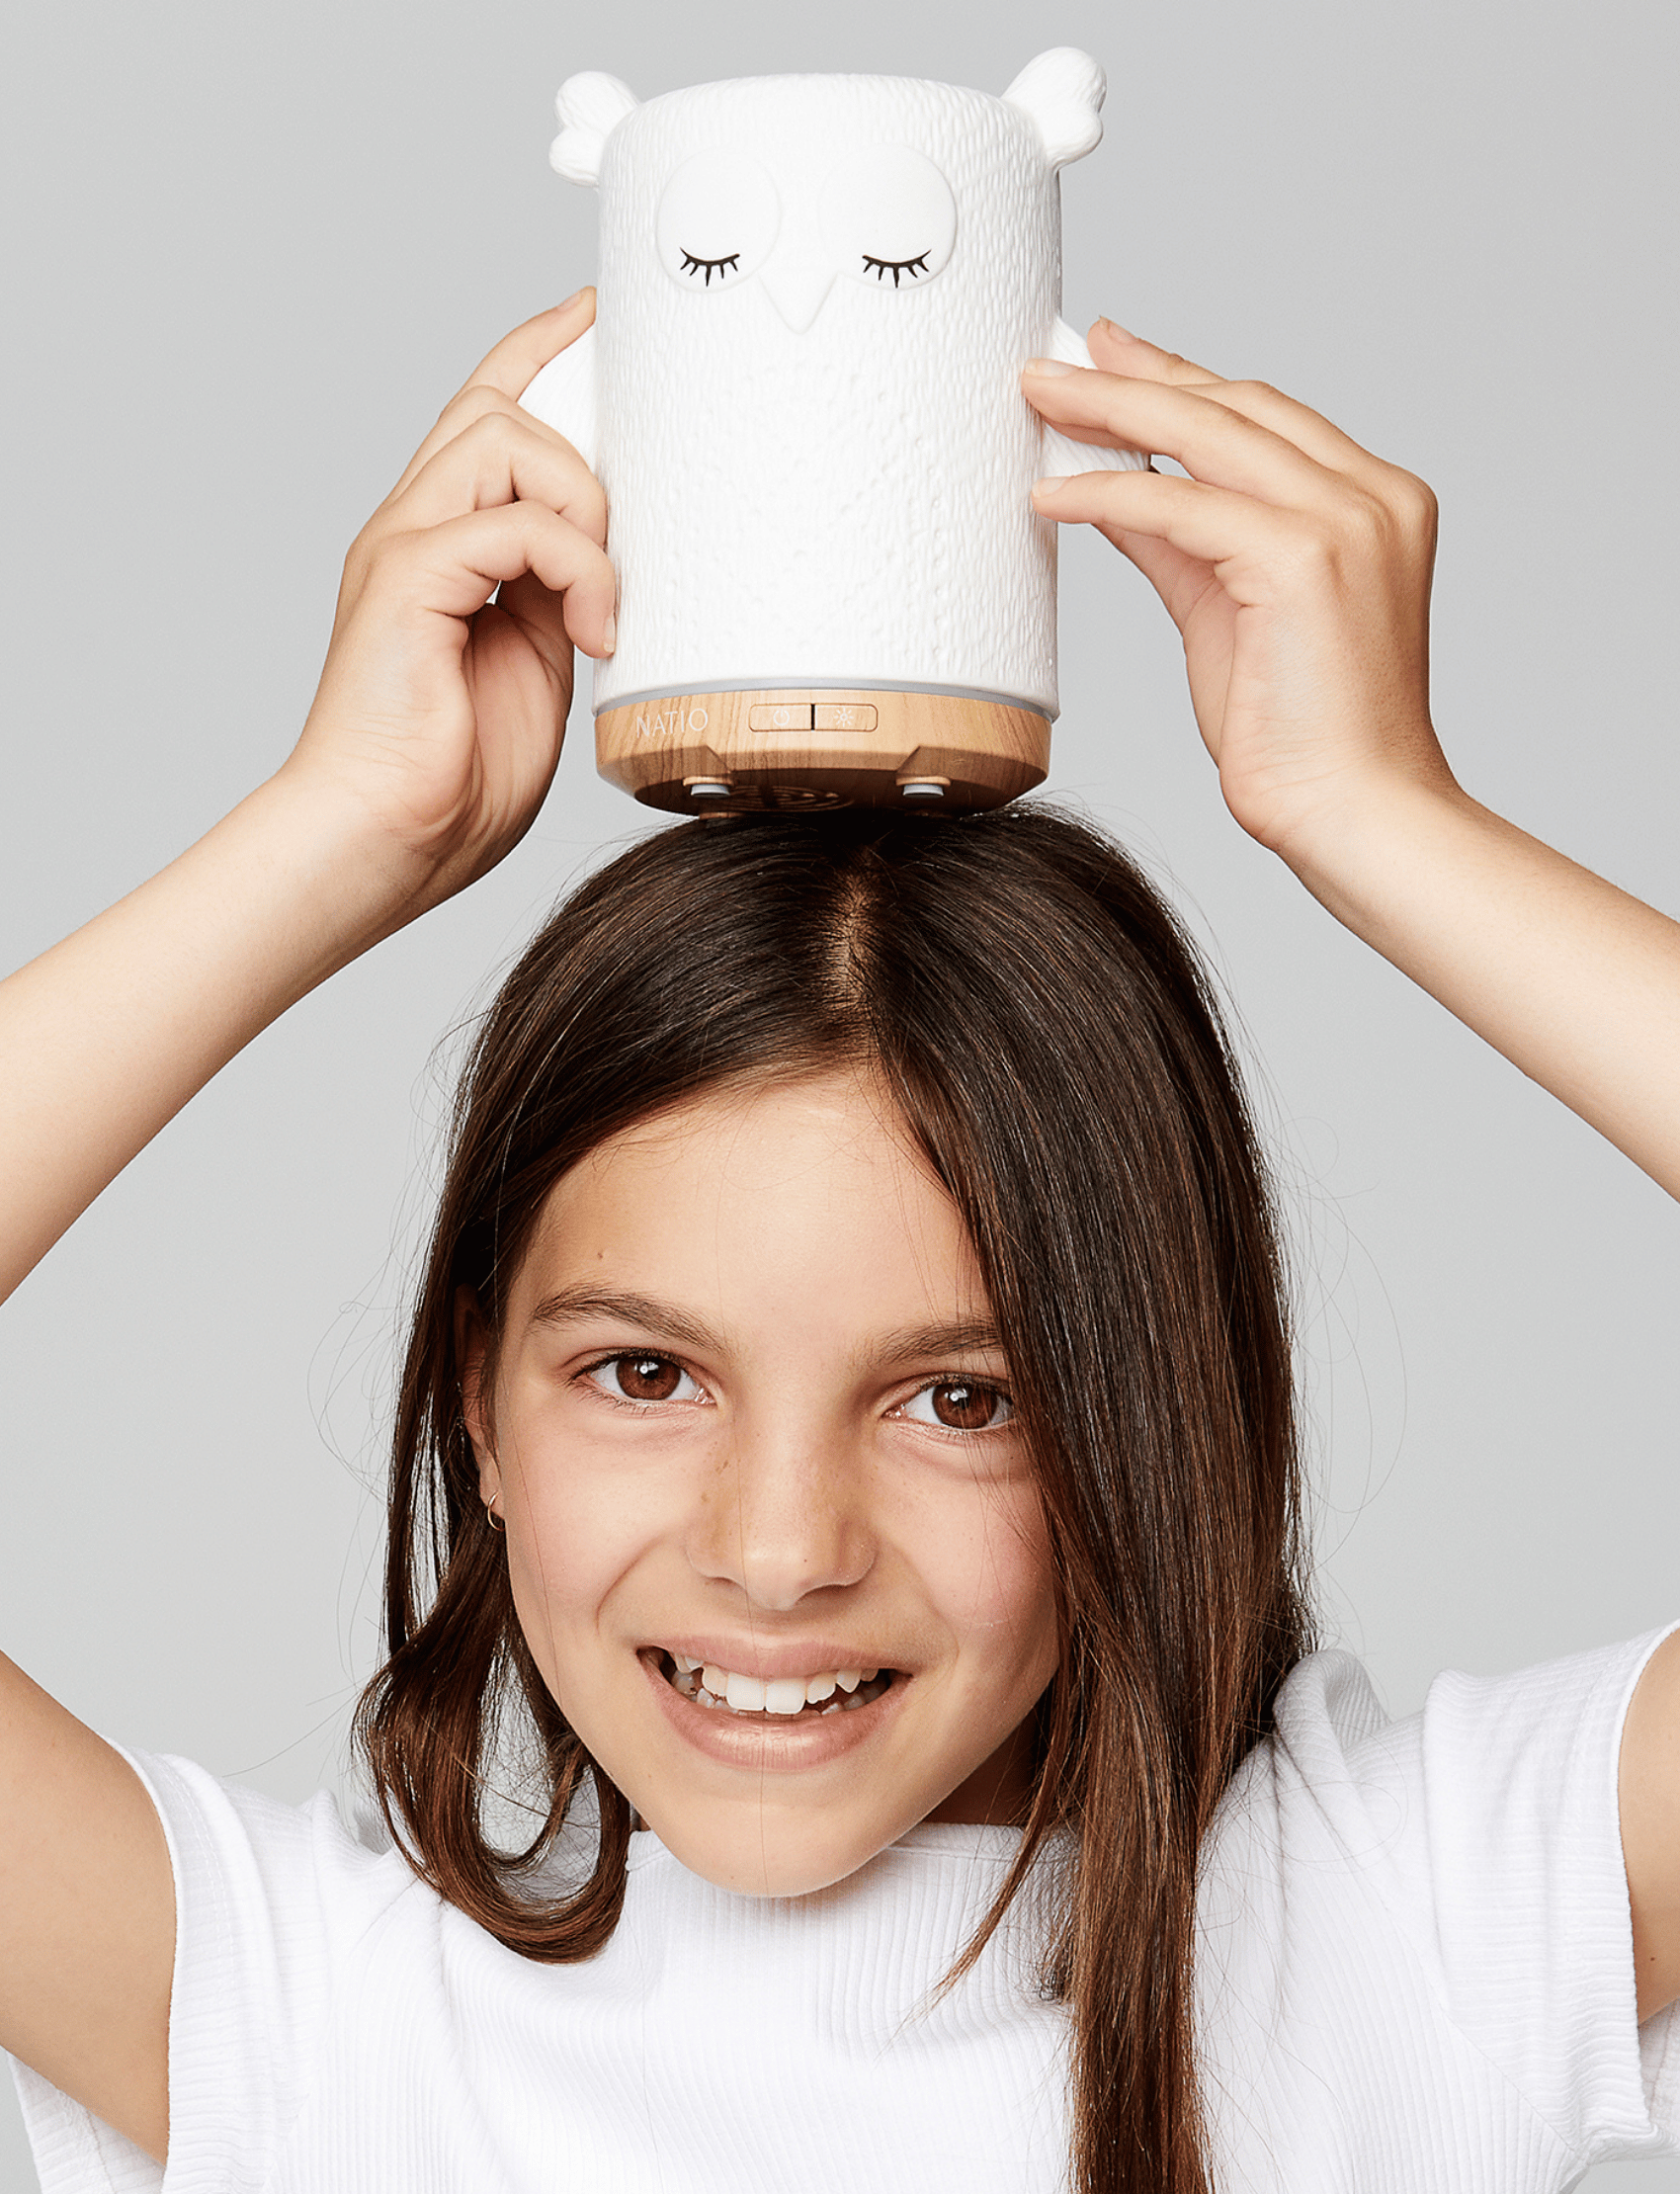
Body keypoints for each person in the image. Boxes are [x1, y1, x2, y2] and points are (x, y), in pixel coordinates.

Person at [0, 289, 1676, 2194]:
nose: (778, 1553)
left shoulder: (1423, 1944)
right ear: (477, 1396)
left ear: (1146, 1415)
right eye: (645, 1373)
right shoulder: (307, 2028)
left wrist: (1384, 816)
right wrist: (331, 832)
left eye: (961, 1398)